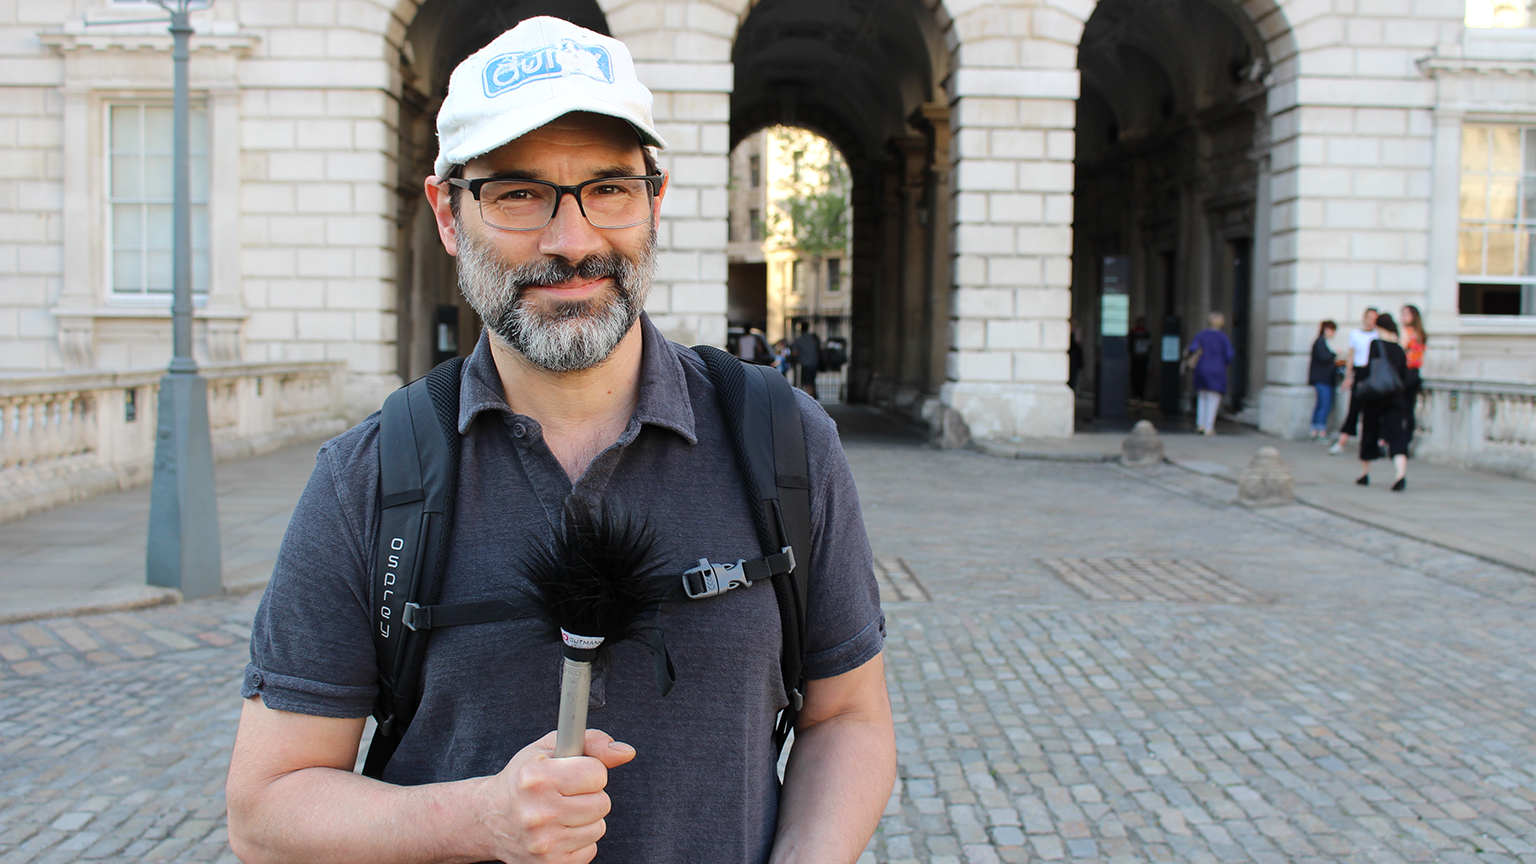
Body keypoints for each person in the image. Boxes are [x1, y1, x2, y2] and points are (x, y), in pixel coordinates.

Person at [225, 18, 894, 864]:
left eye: (608, 188)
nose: (571, 241)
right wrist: (480, 818)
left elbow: (848, 717)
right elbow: (265, 811)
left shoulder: (784, 441)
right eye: (517, 194)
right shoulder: (368, 478)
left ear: (654, 198)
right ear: (447, 212)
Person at [1355, 312, 1411, 491]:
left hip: (1376, 395)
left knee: (1369, 431)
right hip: (1396, 396)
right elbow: (1404, 376)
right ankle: (1400, 474)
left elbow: (1370, 369)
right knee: (1397, 434)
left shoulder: (1375, 344)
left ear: (1379, 328)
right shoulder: (1400, 349)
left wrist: (1359, 383)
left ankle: (1365, 473)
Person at [1329, 307, 1378, 455]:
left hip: (1372, 372)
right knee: (1354, 408)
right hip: (1359, 371)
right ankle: (1342, 441)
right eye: (1369, 317)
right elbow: (1351, 356)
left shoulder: (1378, 335)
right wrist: (1348, 376)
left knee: (1372, 411)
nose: (1371, 321)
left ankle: (1371, 443)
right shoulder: (1355, 334)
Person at [1187, 311, 1236, 435]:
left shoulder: (1201, 335)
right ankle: (1209, 427)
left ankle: (1200, 424)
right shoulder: (1223, 337)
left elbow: (1192, 348)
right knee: (1213, 398)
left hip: (1201, 369)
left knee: (1202, 396)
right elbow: (1230, 355)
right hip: (1217, 369)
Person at [1307, 319, 1343, 440]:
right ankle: (1320, 431)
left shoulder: (1321, 342)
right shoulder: (1320, 342)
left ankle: (1315, 430)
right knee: (1324, 405)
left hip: (1323, 379)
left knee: (1320, 405)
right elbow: (1323, 358)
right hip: (1323, 379)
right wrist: (1334, 354)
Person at [1400, 303, 1427, 436]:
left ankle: (1401, 438)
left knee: (1401, 407)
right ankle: (1408, 436)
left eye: (1405, 314)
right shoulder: (1420, 333)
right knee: (1410, 407)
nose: (1402, 317)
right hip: (1415, 373)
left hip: (1406, 371)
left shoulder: (1408, 332)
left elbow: (1401, 349)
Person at [792, 323, 822, 400]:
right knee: (812, 381)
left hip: (805, 364)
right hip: (814, 363)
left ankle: (810, 399)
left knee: (807, 383)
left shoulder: (799, 339)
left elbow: (795, 353)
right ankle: (814, 396)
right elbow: (819, 349)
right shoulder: (813, 338)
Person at [1128, 316, 1152, 402]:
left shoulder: (1132, 334)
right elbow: (1150, 349)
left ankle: (1136, 400)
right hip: (1143, 362)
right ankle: (1139, 400)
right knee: (1142, 383)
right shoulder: (1146, 334)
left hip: (1135, 362)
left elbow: (1129, 348)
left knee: (1135, 382)